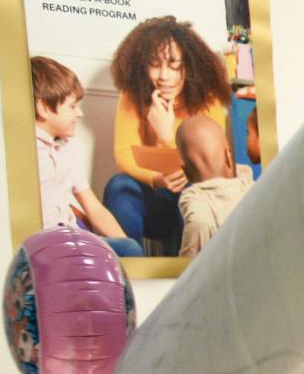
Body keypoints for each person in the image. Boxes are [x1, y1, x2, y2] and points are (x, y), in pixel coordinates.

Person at [102, 15, 230, 256]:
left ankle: (183, 271)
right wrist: (156, 179)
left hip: (192, 194)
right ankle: (130, 267)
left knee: (194, 191)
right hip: (152, 194)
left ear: (189, 66)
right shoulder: (132, 95)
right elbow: (123, 155)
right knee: (119, 187)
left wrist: (165, 136)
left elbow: (209, 165)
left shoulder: (208, 99)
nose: (164, 76)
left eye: (174, 65)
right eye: (155, 65)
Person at [29, 56, 142, 257]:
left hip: (75, 238)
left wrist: (128, 248)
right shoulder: (27, 152)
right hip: (48, 248)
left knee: (129, 248)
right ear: (44, 108)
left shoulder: (66, 150)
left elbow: (95, 209)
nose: (79, 113)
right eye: (72, 106)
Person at [174, 113, 254, 259]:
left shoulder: (195, 199)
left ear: (186, 172)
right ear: (229, 156)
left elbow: (197, 225)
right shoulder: (249, 186)